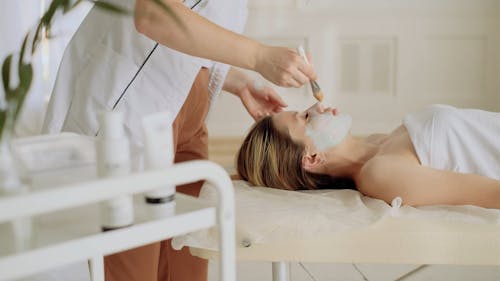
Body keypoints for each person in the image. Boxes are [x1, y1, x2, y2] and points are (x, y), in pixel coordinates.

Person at [42, 0, 317, 281]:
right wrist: (259, 56)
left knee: (186, 261)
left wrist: (233, 80)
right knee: (133, 266)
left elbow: (196, 22)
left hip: (188, 117)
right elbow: (153, 13)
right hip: (137, 110)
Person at [237, 103, 500, 209]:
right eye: (305, 117)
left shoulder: (377, 141)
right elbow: (487, 193)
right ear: (312, 158)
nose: (318, 106)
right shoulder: (379, 174)